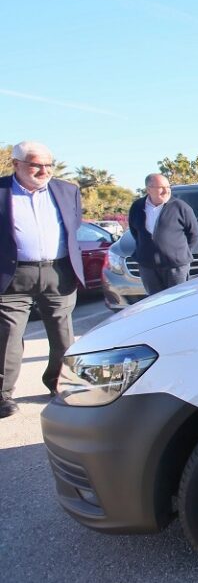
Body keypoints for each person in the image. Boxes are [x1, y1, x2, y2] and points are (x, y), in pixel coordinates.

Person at [0, 141, 84, 417]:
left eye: (49, 164)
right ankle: (3, 396)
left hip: (57, 271)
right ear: (16, 164)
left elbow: (74, 228)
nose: (44, 170)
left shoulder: (68, 190)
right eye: (36, 164)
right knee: (9, 336)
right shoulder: (2, 191)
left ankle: (59, 385)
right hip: (13, 274)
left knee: (63, 335)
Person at [128, 174, 198, 295]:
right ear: (148, 189)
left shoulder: (180, 207)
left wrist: (178, 253)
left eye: (168, 186)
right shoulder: (137, 207)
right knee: (156, 303)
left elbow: (193, 234)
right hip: (148, 266)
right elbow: (135, 232)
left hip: (176, 267)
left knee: (178, 300)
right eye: (161, 187)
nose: (166, 191)